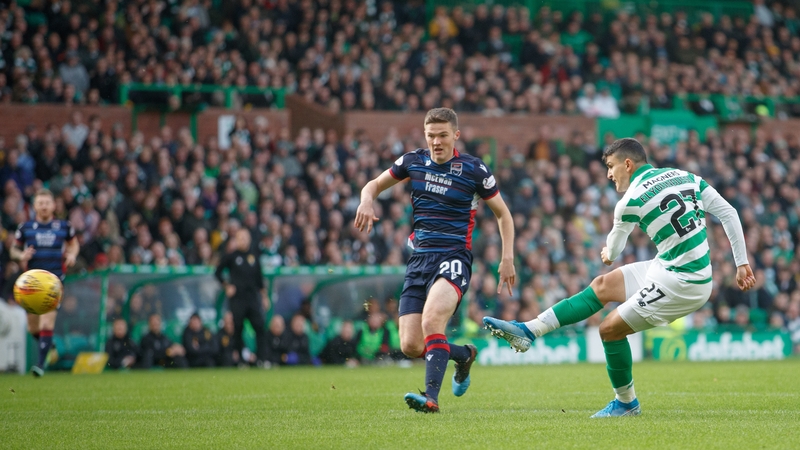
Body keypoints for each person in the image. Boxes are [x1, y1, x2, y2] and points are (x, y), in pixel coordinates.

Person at [484, 138, 756, 418]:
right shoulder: (684, 177)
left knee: (609, 330)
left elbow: (613, 251)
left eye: (611, 166)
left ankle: (626, 403)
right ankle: (528, 331)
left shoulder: (630, 201)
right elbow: (729, 212)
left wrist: (606, 253)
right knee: (602, 285)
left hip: (682, 283)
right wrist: (742, 262)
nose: (608, 174)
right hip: (671, 267)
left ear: (628, 164)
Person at [354, 107, 516, 413]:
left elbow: (503, 215)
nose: (436, 141)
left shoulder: (474, 170)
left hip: (454, 258)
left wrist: (507, 258)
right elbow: (373, 185)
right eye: (431, 136)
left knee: (432, 322)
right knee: (411, 345)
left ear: (455, 135)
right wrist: (366, 200)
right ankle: (463, 355)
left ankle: (431, 398)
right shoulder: (412, 161)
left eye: (442, 135)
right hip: (419, 261)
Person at [10, 189, 79, 376]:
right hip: (31, 284)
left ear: (54, 205)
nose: (44, 206)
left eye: (47, 203)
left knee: (47, 323)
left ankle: (40, 365)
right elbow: (13, 250)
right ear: (34, 206)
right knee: (33, 327)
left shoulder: (63, 226)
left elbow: (74, 243)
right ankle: (51, 345)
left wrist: (72, 254)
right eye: (40, 203)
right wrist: (21, 255)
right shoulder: (26, 228)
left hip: (54, 282)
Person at [215, 228, 270, 364]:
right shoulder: (231, 256)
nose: (242, 241)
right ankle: (240, 360)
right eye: (240, 238)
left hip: (252, 298)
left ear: (249, 239)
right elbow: (217, 272)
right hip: (237, 299)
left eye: (245, 238)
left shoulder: (254, 256)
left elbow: (259, 279)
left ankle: (261, 359)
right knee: (238, 329)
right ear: (236, 240)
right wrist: (226, 286)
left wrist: (264, 297)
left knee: (260, 327)